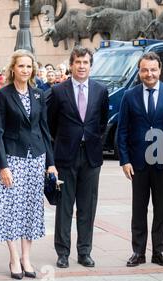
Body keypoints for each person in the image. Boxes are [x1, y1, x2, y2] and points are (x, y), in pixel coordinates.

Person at [0, 49, 57, 280]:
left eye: (29, 66)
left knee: (30, 209)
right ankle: (13, 257)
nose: (25, 70)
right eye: (21, 66)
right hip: (12, 159)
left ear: (33, 70)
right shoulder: (2, 95)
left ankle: (26, 258)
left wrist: (50, 164)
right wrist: (2, 166)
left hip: (36, 159)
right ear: (13, 68)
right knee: (10, 209)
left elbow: (44, 130)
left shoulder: (40, 94)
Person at [46, 46, 109, 269]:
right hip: (65, 156)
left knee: (87, 206)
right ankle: (62, 252)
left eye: (86, 62)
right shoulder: (58, 91)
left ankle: (85, 252)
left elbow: (102, 122)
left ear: (91, 65)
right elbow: (50, 125)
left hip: (91, 156)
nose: (82, 66)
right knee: (64, 205)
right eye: (78, 62)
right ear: (71, 65)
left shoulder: (101, 90)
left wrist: (92, 140)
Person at [117, 52, 163, 268]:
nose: (149, 74)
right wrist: (124, 160)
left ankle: (159, 251)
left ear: (160, 70)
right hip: (138, 163)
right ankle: (138, 252)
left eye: (153, 70)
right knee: (139, 208)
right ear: (139, 71)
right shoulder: (129, 95)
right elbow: (122, 130)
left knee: (161, 209)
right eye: (145, 70)